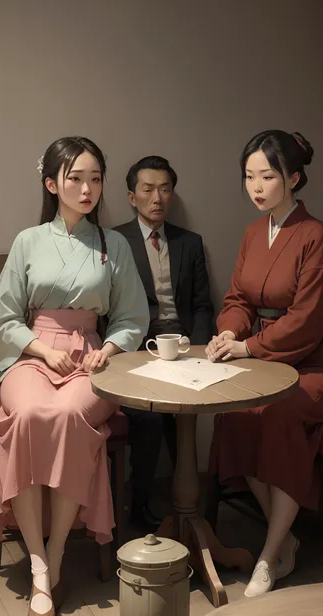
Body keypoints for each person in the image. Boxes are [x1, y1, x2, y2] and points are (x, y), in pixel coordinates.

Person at [0, 136, 149, 616]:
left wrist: (109, 350)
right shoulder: (28, 241)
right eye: (75, 177)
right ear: (51, 183)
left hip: (92, 360)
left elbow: (133, 316)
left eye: (95, 178)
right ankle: (37, 562)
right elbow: (4, 317)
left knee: (70, 415)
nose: (87, 187)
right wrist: (43, 349)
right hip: (32, 355)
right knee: (33, 415)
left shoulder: (113, 244)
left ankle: (54, 554)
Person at [206, 129, 323, 597]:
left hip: (315, 364)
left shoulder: (315, 236)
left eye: (267, 176)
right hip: (267, 358)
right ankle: (284, 536)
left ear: (294, 177)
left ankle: (267, 558)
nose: (257, 186)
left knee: (279, 411)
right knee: (235, 409)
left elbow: (307, 320)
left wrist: (249, 348)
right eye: (249, 176)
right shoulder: (254, 232)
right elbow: (238, 299)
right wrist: (230, 330)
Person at [115, 156, 214, 528]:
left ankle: (188, 511)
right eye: (148, 189)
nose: (157, 197)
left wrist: (200, 351)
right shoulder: (115, 240)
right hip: (138, 343)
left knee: (185, 413)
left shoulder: (190, 243)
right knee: (148, 418)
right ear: (131, 196)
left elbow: (203, 305)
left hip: (184, 343)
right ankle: (138, 506)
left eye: (165, 188)